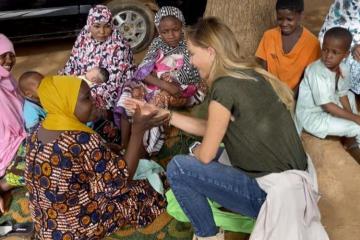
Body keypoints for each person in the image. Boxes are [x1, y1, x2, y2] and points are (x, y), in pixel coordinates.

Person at [125, 17, 329, 240]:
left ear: (210, 52)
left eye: (192, 54)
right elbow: (212, 126)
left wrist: (199, 152)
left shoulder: (224, 87)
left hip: (271, 195)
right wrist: (167, 115)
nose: (190, 62)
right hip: (298, 183)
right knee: (199, 149)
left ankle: (208, 236)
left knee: (179, 168)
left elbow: (205, 157)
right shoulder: (250, 74)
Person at [24, 75, 168, 239]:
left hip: (46, 221)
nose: (94, 101)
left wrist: (105, 149)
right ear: (66, 104)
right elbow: (121, 183)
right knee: (146, 190)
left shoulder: (37, 131)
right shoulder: (81, 140)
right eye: (86, 99)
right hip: (77, 227)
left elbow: (71, 165)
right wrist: (138, 131)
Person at [117, 6, 206, 155]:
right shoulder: (158, 42)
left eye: (175, 29)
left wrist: (164, 84)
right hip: (160, 84)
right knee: (130, 90)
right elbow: (142, 70)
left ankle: (145, 149)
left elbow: (188, 76)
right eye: (165, 32)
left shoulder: (188, 44)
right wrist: (163, 83)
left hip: (186, 89)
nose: (171, 35)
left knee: (157, 102)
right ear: (159, 31)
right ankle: (124, 144)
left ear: (182, 26)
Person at [296, 28, 360, 155]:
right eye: (325, 49)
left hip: (328, 107)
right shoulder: (316, 71)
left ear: (346, 55)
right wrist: (354, 119)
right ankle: (353, 139)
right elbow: (327, 105)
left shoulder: (344, 69)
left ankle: (349, 138)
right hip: (313, 117)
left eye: (335, 52)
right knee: (357, 127)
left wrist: (352, 117)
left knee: (350, 96)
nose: (328, 56)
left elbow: (342, 95)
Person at [59, 5, 135, 110]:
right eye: (97, 26)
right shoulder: (83, 37)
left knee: (77, 106)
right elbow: (72, 63)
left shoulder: (119, 45)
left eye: (107, 26)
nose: (102, 32)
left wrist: (82, 92)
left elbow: (114, 84)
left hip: (106, 90)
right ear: (89, 25)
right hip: (81, 84)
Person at [255, 0, 320, 94]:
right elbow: (263, 69)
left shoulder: (313, 43)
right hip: (270, 92)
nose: (284, 24)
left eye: (289, 19)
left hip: (298, 95)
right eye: (280, 19)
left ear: (301, 16)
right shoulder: (269, 36)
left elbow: (308, 77)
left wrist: (291, 96)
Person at [318, 0, 360, 98]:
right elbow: (330, 35)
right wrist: (353, 45)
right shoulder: (343, 5)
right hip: (343, 38)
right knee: (334, 52)